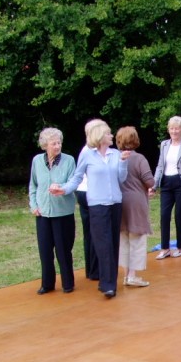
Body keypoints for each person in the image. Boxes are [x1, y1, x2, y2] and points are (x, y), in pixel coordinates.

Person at [51, 119, 128, 298]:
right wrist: (64, 189)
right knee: (103, 243)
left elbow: (122, 178)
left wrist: (123, 162)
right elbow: (77, 177)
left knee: (113, 243)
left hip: (115, 203)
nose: (112, 136)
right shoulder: (87, 155)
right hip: (97, 205)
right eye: (109, 133)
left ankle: (109, 282)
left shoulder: (115, 154)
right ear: (100, 136)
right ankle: (107, 284)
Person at [28, 127, 77, 295]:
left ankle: (68, 283)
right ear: (45, 145)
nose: (57, 146)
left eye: (59, 142)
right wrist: (33, 205)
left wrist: (61, 188)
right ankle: (47, 284)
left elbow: (73, 183)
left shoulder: (69, 160)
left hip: (63, 213)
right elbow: (33, 185)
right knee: (45, 250)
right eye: (53, 143)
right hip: (43, 213)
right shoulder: (36, 161)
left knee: (63, 250)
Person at [116, 125, 155, 288]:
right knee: (137, 238)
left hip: (119, 201)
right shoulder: (139, 159)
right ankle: (132, 275)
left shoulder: (115, 158)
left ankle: (125, 275)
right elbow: (150, 181)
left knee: (123, 238)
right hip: (136, 202)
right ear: (135, 140)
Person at [153, 116, 181, 259]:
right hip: (166, 183)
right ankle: (165, 248)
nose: (174, 131)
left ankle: (180, 246)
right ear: (168, 129)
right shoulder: (164, 144)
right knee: (164, 216)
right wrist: (154, 184)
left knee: (179, 216)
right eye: (171, 128)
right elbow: (160, 165)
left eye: (177, 128)